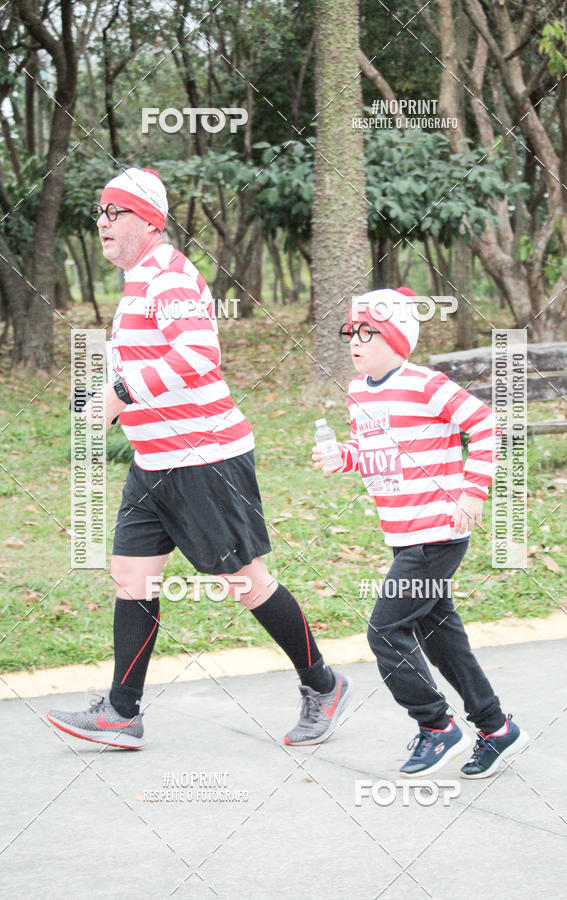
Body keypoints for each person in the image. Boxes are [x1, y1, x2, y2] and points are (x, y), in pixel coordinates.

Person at [47, 167, 352, 749]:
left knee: (246, 582)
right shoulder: (139, 280)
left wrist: (122, 393)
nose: (102, 223)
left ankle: (324, 684)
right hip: (154, 461)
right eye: (99, 213)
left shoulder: (170, 275)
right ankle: (123, 712)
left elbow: (198, 352)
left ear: (148, 221)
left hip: (204, 456)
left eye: (114, 212)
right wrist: (102, 396)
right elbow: (150, 363)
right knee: (132, 575)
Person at [313, 287, 528, 779]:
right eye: (351, 331)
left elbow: (488, 426)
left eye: (368, 332)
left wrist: (473, 492)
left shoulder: (427, 384)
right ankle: (496, 727)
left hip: (437, 532)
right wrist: (341, 457)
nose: (355, 340)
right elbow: (372, 454)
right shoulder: (359, 392)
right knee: (439, 634)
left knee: (385, 629)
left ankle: (436, 726)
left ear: (395, 338)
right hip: (402, 533)